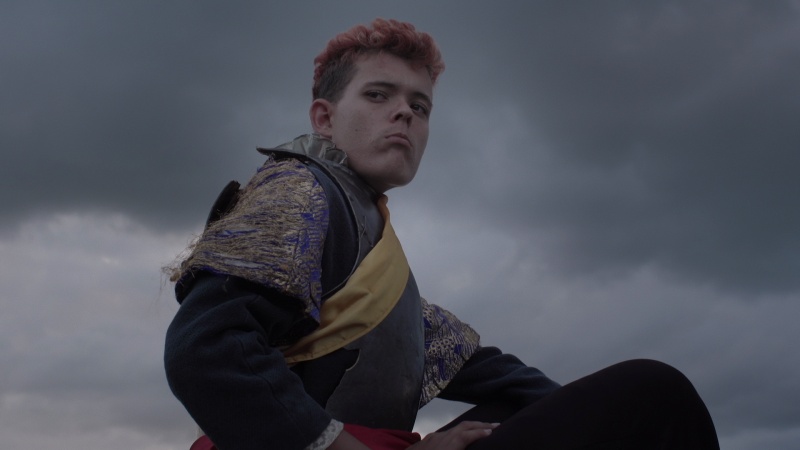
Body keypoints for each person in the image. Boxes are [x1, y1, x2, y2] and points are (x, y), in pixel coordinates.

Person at [164, 18, 719, 450]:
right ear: (324, 118)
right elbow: (207, 350)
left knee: (558, 406)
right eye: (378, 95)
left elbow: (504, 380)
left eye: (419, 105)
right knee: (654, 392)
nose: (404, 114)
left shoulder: (375, 246)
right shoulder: (302, 190)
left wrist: (586, 422)